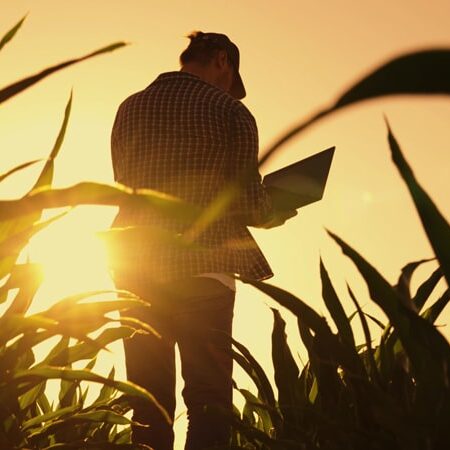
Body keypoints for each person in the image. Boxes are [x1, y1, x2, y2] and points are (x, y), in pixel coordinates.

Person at [109, 31, 297, 450]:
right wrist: (277, 208)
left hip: (134, 264)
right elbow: (248, 203)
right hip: (204, 267)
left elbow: (124, 183)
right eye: (231, 78)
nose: (230, 88)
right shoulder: (231, 112)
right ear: (222, 60)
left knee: (147, 401)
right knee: (209, 400)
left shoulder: (129, 107)